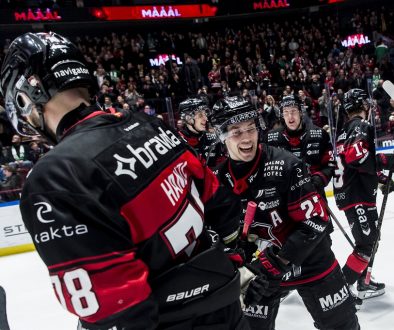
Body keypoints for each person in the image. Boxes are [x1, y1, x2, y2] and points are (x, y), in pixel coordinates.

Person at [0, 32, 250, 330]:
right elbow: (221, 204)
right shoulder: (150, 125)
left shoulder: (55, 178)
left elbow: (117, 310)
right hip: (225, 307)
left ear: (26, 97)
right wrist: (232, 258)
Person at [210, 96, 360, 330]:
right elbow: (223, 236)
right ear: (222, 136)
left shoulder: (286, 165)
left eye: (250, 128)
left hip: (311, 262)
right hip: (259, 275)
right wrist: (240, 267)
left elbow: (316, 221)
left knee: (343, 326)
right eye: (237, 132)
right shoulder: (217, 180)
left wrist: (273, 263)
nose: (247, 137)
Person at [333, 88, 394, 302]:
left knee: (370, 241)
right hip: (356, 196)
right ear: (364, 106)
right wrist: (383, 163)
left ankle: (363, 280)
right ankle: (341, 289)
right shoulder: (361, 126)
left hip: (354, 195)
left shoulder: (344, 130)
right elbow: (355, 156)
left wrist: (382, 174)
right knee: (366, 245)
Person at [262, 95, 334, 207]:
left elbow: (331, 163)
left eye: (293, 111)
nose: (290, 117)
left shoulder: (319, 134)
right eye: (286, 112)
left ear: (300, 112)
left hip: (315, 196)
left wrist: (319, 179)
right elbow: (264, 169)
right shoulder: (270, 138)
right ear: (282, 115)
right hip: (285, 201)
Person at [178, 98, 225, 167]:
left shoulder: (214, 139)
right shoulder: (177, 142)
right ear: (188, 118)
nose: (206, 118)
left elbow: (221, 166)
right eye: (200, 115)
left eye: (205, 114)